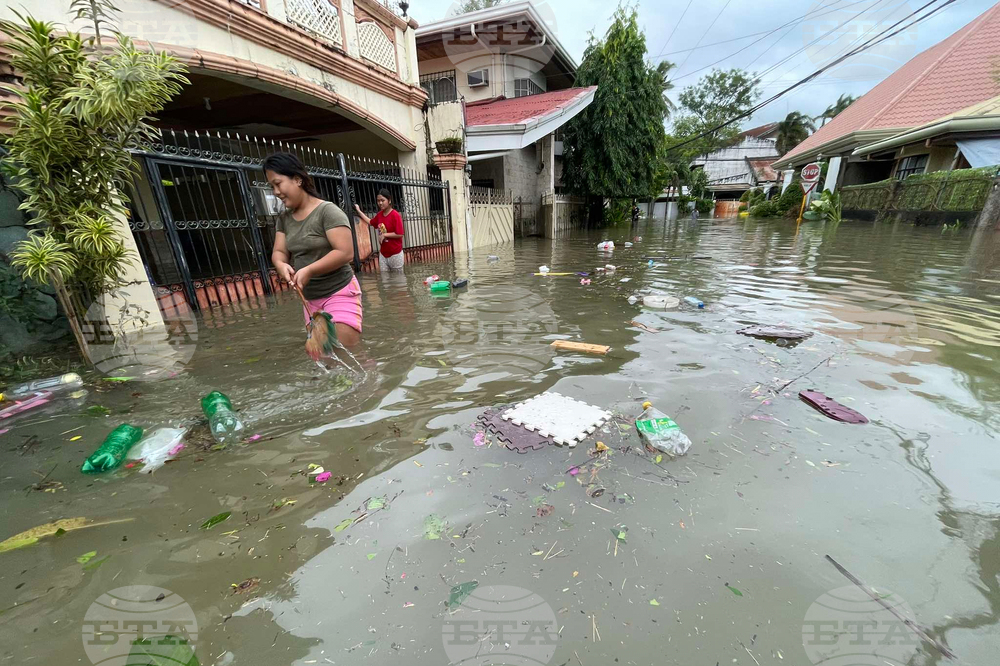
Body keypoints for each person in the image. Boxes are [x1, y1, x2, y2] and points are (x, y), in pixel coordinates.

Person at [266, 152, 362, 347]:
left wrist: (309, 270)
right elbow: (279, 252)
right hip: (309, 300)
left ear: (297, 180)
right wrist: (280, 264)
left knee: (345, 355)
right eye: (271, 187)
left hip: (339, 292)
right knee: (324, 360)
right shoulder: (284, 220)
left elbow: (345, 252)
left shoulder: (328, 212)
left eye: (278, 183)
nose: (275, 192)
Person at [354, 189, 404, 271]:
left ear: (389, 200)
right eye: (378, 201)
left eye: (382, 200)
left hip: (395, 253)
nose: (380, 203)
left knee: (397, 279)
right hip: (383, 254)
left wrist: (385, 235)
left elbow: (400, 234)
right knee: (384, 280)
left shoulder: (395, 215)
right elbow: (370, 222)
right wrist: (359, 211)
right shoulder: (379, 215)